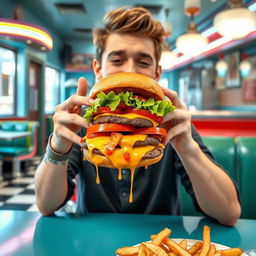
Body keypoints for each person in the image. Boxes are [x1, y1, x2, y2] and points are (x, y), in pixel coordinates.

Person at [35, 7, 241, 226]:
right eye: (117, 60)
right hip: (92, 244)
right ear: (98, 70)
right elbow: (46, 205)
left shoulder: (172, 125)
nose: (130, 71)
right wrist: (57, 147)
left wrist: (187, 148)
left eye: (143, 62)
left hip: (159, 243)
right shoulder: (83, 124)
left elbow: (228, 214)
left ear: (157, 73)